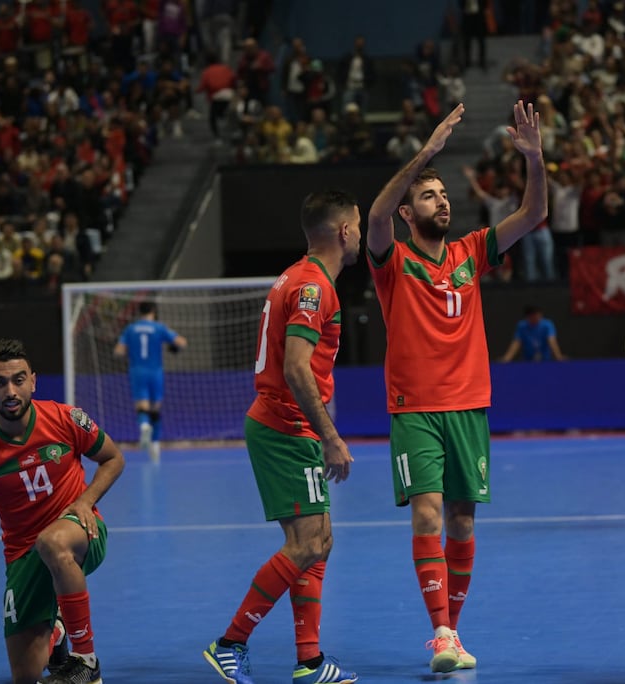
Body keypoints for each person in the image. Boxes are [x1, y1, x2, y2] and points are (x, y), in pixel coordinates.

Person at [365, 100, 546, 673]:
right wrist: (426, 153)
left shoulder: (472, 252)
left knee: (463, 522)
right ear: (408, 212)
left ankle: (454, 632)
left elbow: (533, 214)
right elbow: (374, 215)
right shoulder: (392, 261)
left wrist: (534, 158)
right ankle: (441, 633)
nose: (441, 201)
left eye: (443, 194)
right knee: (428, 515)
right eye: (428, 195)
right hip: (415, 409)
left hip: (469, 406)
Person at [203, 189, 363, 684]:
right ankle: (229, 643)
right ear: (344, 231)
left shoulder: (296, 276)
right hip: (285, 428)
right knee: (306, 543)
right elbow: (296, 368)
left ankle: (309, 661)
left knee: (320, 542)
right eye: (358, 226)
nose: (361, 235)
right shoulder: (314, 287)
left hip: (289, 426)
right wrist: (330, 437)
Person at [0, 339, 126, 684]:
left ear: (33, 381)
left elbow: (113, 458)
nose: (10, 391)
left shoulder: (64, 418)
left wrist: (85, 501)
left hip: (80, 533)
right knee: (26, 675)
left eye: (18, 380)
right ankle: (57, 630)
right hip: (23, 554)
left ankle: (85, 660)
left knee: (52, 542)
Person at [114, 301, 188, 462]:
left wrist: (129, 351)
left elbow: (119, 351)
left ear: (139, 312)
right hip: (156, 372)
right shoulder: (159, 327)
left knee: (142, 407)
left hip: (137, 371)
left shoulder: (131, 328)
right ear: (153, 311)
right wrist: (174, 348)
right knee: (155, 409)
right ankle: (155, 445)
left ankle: (144, 426)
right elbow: (182, 342)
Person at [498, 304, 566, 362]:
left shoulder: (547, 325)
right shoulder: (522, 326)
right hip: (527, 360)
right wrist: (507, 358)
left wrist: (558, 356)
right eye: (533, 316)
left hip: (545, 360)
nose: (536, 318)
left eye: (538, 315)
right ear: (528, 317)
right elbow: (516, 343)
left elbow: (552, 341)